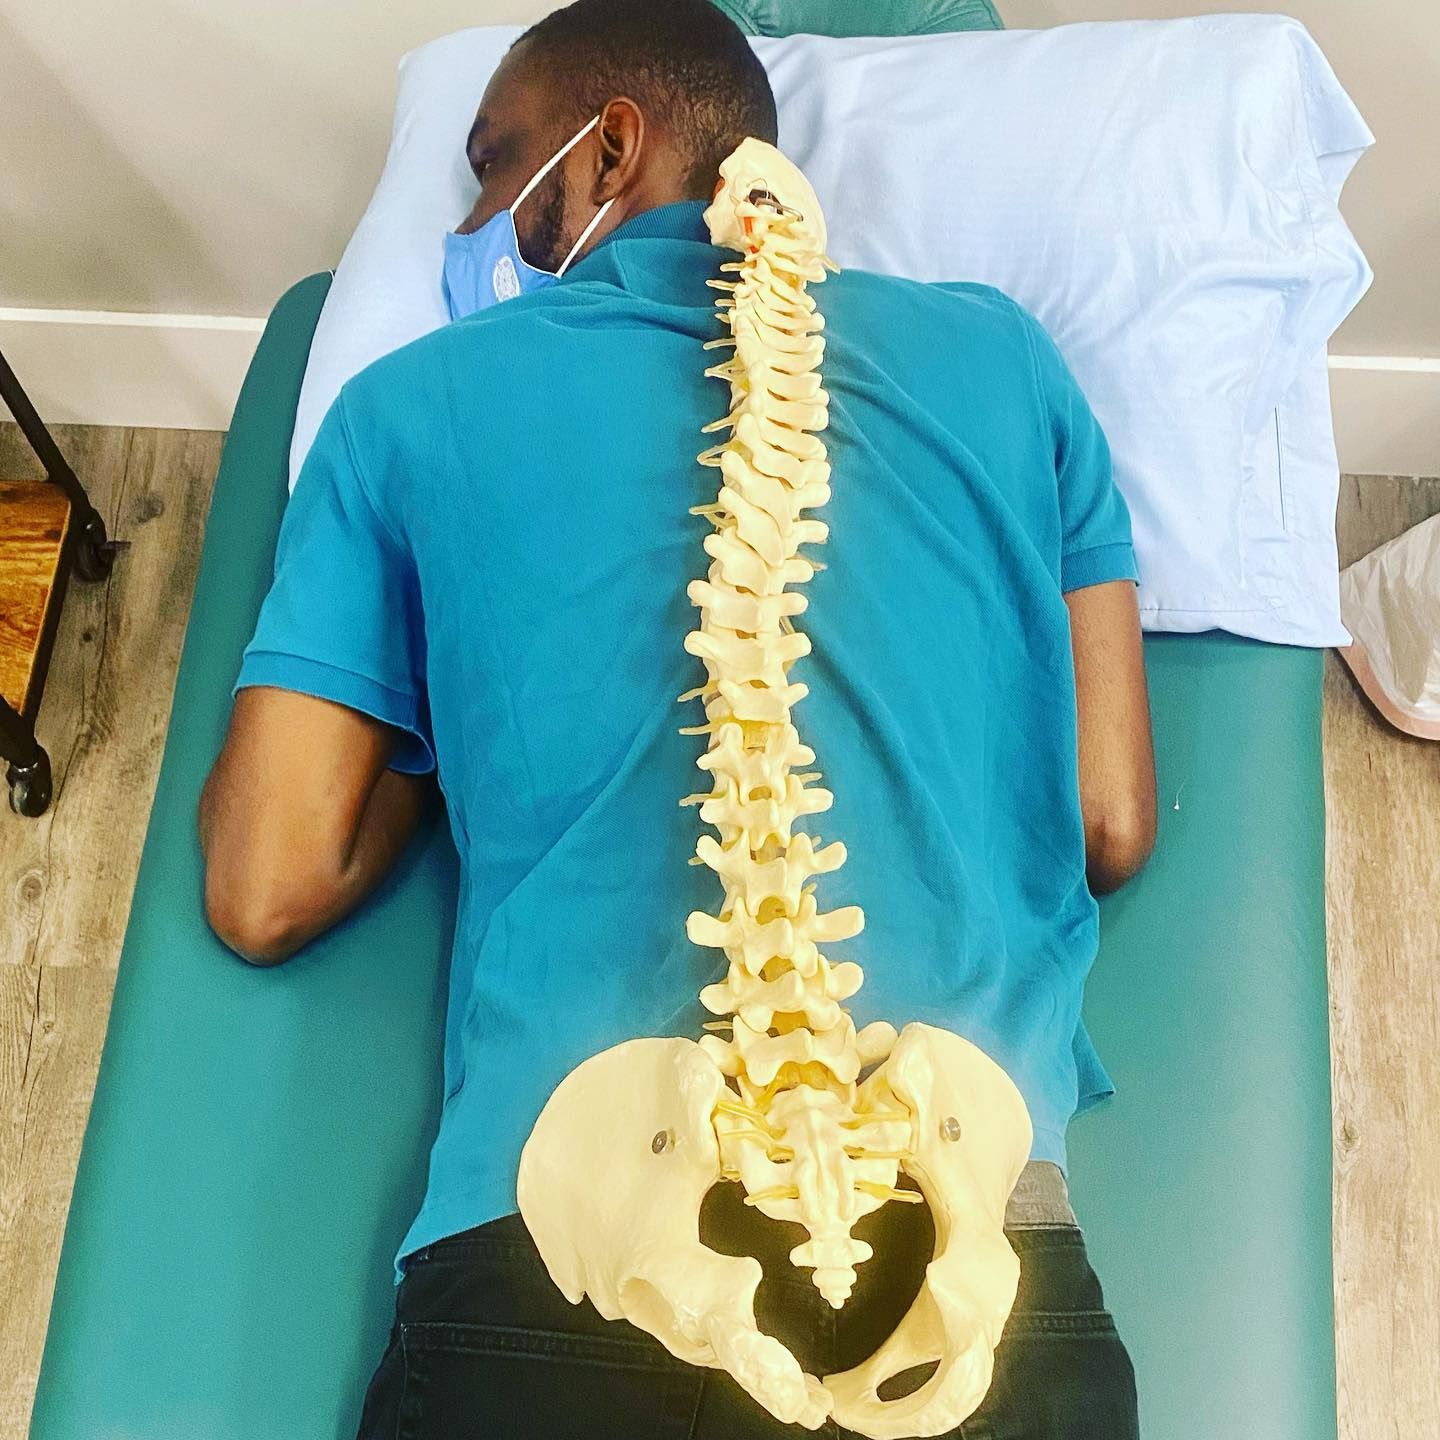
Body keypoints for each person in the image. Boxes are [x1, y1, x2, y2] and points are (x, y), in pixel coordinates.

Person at [198, 1, 1156, 1435]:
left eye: (497, 169)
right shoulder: (1005, 361)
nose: (481, 222)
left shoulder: (409, 406)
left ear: (611, 151)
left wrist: (459, 715)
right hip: (972, 1264)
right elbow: (1110, 819)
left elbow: (265, 884)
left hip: (554, 1245)